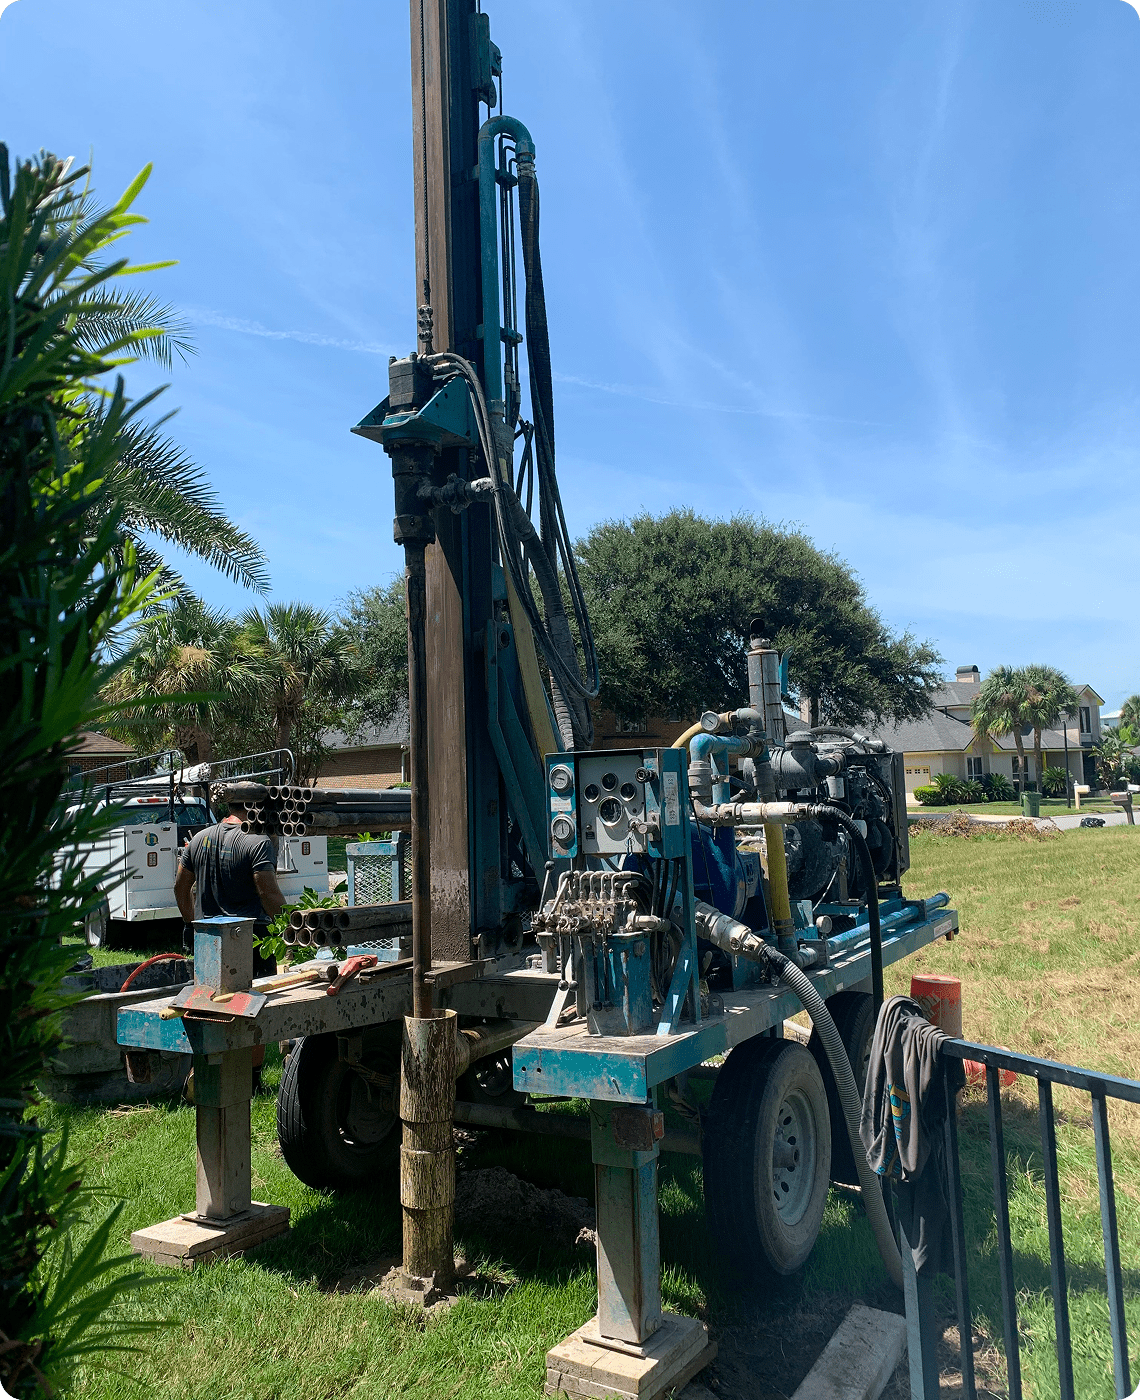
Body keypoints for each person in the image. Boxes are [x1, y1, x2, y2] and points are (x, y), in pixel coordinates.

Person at [174, 781, 285, 978]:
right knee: (253, 1002)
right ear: (255, 807)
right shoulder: (258, 842)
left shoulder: (199, 838)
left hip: (208, 936)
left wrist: (189, 925)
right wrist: (287, 930)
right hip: (250, 939)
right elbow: (268, 893)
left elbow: (180, 888)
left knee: (210, 996)